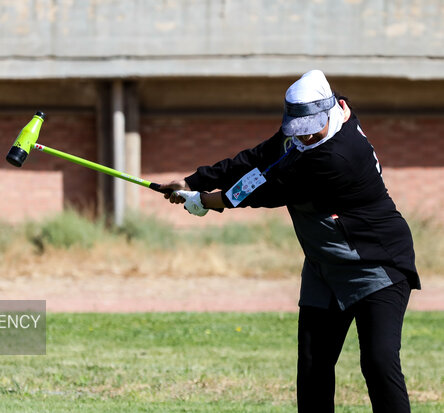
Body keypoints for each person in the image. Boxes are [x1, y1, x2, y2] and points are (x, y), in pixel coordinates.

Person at [159, 69, 421, 413]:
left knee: (378, 363)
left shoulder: (338, 156)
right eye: (300, 132)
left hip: (377, 265)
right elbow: (257, 159)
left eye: (313, 132)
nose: (306, 138)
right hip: (324, 267)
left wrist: (205, 201)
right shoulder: (310, 129)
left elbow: (269, 188)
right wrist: (193, 179)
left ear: (329, 113)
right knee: (313, 367)